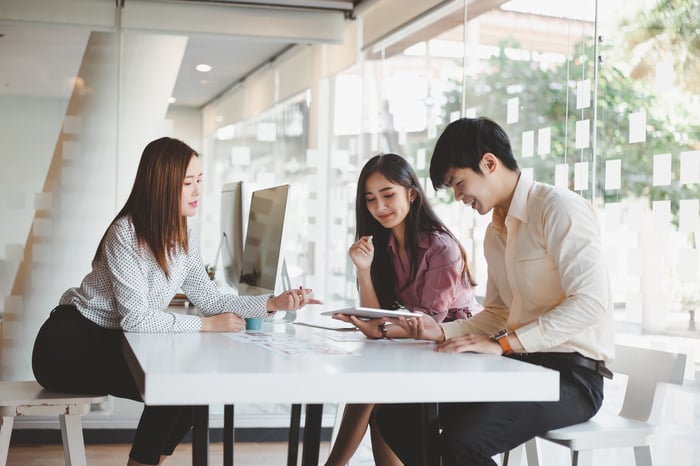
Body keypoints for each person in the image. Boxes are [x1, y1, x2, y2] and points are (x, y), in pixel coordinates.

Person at [31, 137, 321, 466]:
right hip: (69, 344)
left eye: (200, 181)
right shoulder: (125, 233)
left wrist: (273, 303)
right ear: (162, 185)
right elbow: (136, 320)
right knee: (175, 389)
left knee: (188, 392)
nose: (198, 191)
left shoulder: (184, 236)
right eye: (188, 183)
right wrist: (206, 326)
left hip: (112, 339)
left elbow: (209, 298)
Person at [374, 117, 615, 466]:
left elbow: (590, 304)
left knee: (462, 443)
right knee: (398, 417)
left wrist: (504, 344)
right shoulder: (495, 234)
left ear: (489, 163)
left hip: (574, 379)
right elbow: (499, 313)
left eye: (458, 183)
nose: (458, 197)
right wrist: (440, 331)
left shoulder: (558, 208)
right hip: (518, 367)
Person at [325, 153, 482, 466]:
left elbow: (430, 320)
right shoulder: (383, 246)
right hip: (418, 345)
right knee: (375, 391)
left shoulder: (441, 247)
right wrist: (363, 270)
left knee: (375, 388)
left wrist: (380, 329)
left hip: (457, 346)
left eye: (388, 195)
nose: (379, 208)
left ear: (412, 193)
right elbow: (375, 314)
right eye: (370, 199)